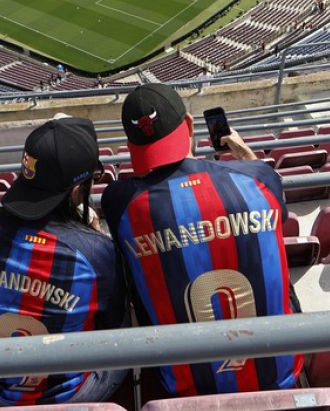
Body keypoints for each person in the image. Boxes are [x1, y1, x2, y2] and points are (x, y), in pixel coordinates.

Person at [101, 84, 303, 398]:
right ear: (191, 125)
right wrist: (243, 153)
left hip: (185, 391)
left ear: (131, 146)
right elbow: (275, 195)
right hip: (282, 375)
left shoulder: (119, 201)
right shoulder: (257, 178)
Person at [0, 117, 128, 407]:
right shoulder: (96, 251)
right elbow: (112, 325)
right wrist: (94, 237)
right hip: (73, 396)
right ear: (76, 191)